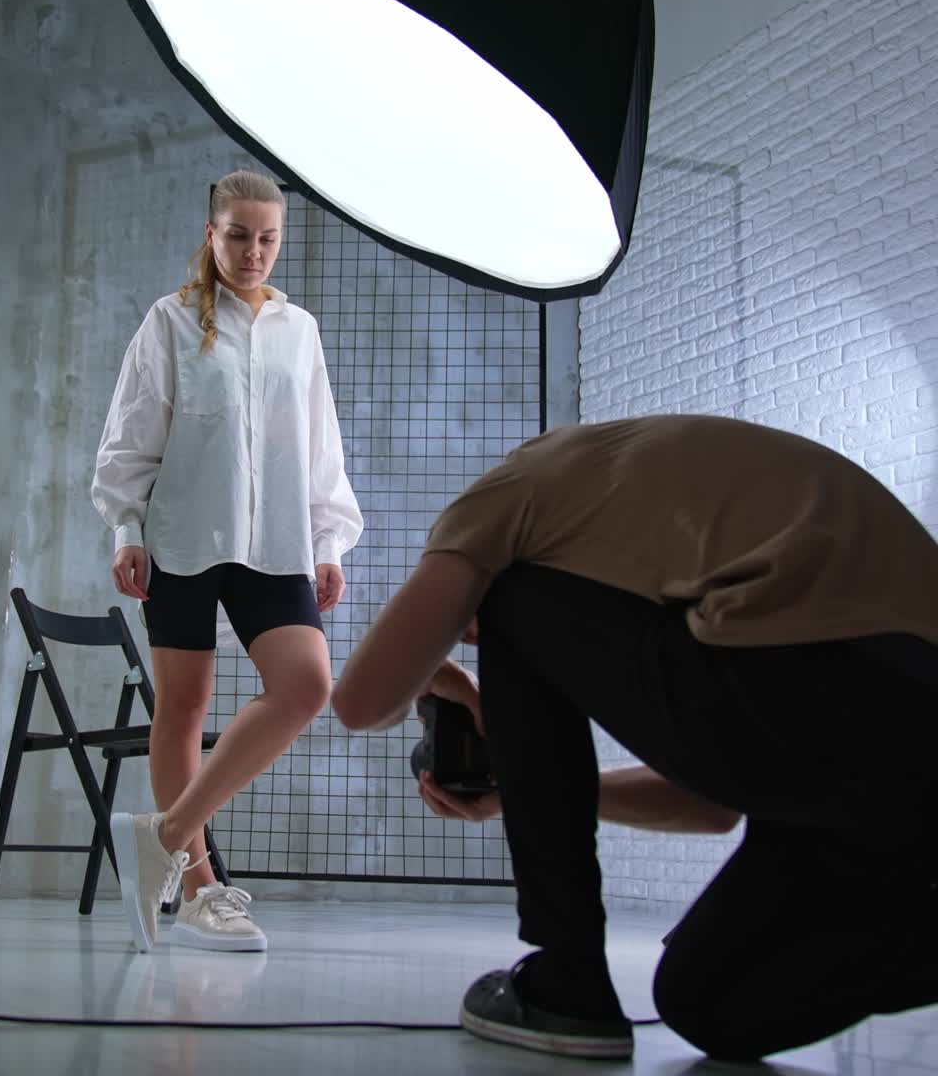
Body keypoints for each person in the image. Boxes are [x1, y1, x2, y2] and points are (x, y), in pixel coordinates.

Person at [332, 413, 938, 1060]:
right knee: (710, 1002)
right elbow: (708, 805)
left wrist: (440, 676)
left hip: (844, 693)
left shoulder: (508, 492)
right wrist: (521, 787)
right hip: (889, 771)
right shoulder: (671, 522)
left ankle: (567, 980)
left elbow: (363, 703)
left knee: (512, 598)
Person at [92, 169, 362, 954]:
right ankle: (202, 892)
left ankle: (162, 838)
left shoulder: (298, 331)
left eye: (268, 238)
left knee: (305, 685)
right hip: (181, 537)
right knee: (185, 707)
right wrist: (125, 531)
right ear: (212, 234)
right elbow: (131, 437)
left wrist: (325, 541)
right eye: (238, 234)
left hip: (274, 540)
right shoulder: (170, 321)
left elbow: (318, 445)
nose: (253, 251)